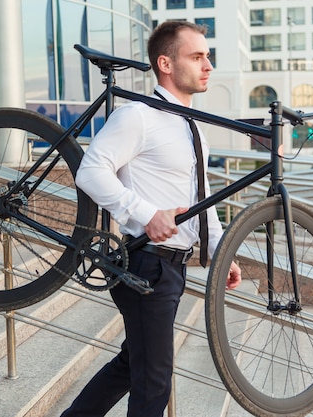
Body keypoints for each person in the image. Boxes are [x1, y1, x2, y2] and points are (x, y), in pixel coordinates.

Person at [63, 21, 241, 417]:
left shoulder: (191, 127)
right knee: (154, 382)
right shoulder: (138, 117)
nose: (207, 65)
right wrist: (145, 216)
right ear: (165, 63)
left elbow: (201, 199)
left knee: (133, 366)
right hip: (146, 263)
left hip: (172, 268)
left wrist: (221, 249)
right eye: (196, 57)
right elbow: (90, 172)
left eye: (207, 56)